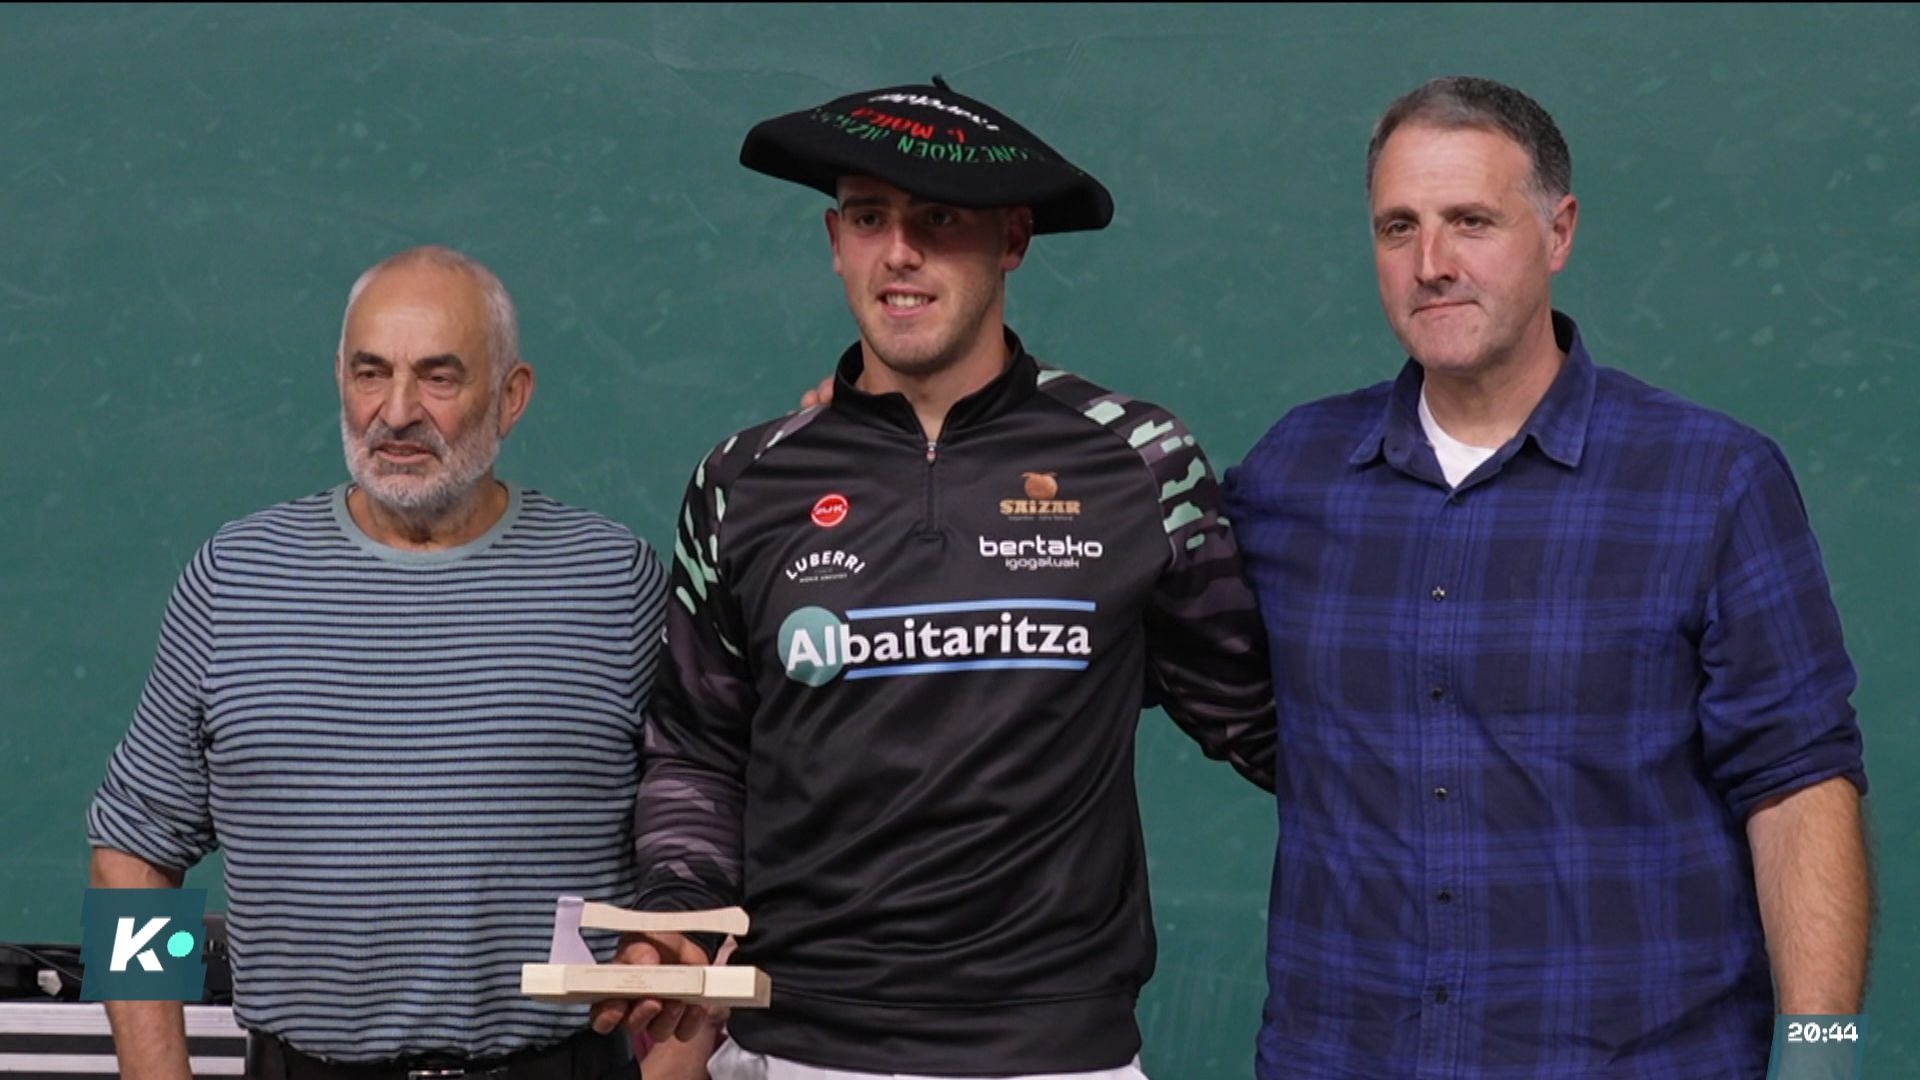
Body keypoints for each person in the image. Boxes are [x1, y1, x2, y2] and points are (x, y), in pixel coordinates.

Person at [592, 80, 1276, 1079]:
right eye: (870, 218)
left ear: (1014, 239)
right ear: (835, 241)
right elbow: (699, 751)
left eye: (940, 220)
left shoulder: (1140, 461)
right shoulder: (744, 480)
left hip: (1057, 1059)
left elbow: (1264, 722)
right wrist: (677, 924)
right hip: (797, 1049)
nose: (899, 252)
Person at [1224, 76, 1872, 1077]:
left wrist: (1822, 1056)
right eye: (1399, 228)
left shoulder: (1711, 479)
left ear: (1558, 232)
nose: (1432, 264)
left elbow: (1798, 785)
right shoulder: (1289, 476)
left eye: (1471, 221)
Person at [86, 246, 668, 1080]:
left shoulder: (613, 582)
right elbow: (135, 856)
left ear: (512, 396)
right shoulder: (235, 580)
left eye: (439, 377)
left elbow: (705, 843)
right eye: (370, 373)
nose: (396, 412)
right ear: (339, 379)